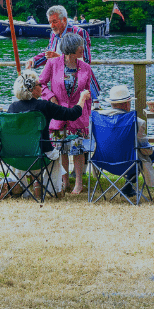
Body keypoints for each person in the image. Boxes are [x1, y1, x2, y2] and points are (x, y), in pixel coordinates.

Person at [7, 69, 93, 197]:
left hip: (17, 156)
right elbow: (72, 114)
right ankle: (56, 190)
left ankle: (28, 185)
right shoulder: (43, 106)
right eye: (39, 85)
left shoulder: (12, 107)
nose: (42, 87)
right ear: (31, 89)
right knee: (55, 154)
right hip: (41, 155)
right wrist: (82, 98)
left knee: (45, 151)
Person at [97, 84, 154, 200]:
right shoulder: (137, 122)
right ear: (126, 104)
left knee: (132, 150)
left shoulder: (99, 118)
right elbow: (146, 149)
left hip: (103, 161)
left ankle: (127, 188)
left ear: (112, 103)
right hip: (129, 163)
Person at [37, 32, 95, 195]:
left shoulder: (86, 67)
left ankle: (78, 183)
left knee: (77, 150)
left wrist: (87, 112)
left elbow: (88, 92)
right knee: (59, 148)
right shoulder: (53, 63)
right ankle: (64, 182)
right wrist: (51, 97)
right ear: (70, 49)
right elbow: (40, 84)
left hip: (78, 114)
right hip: (58, 113)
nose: (83, 49)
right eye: (80, 46)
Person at [24, 5, 100, 98]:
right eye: (50, 22)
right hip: (61, 86)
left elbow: (86, 60)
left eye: (55, 22)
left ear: (64, 20)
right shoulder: (54, 33)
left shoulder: (79, 33)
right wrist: (34, 60)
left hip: (82, 88)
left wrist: (59, 58)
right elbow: (48, 53)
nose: (52, 26)